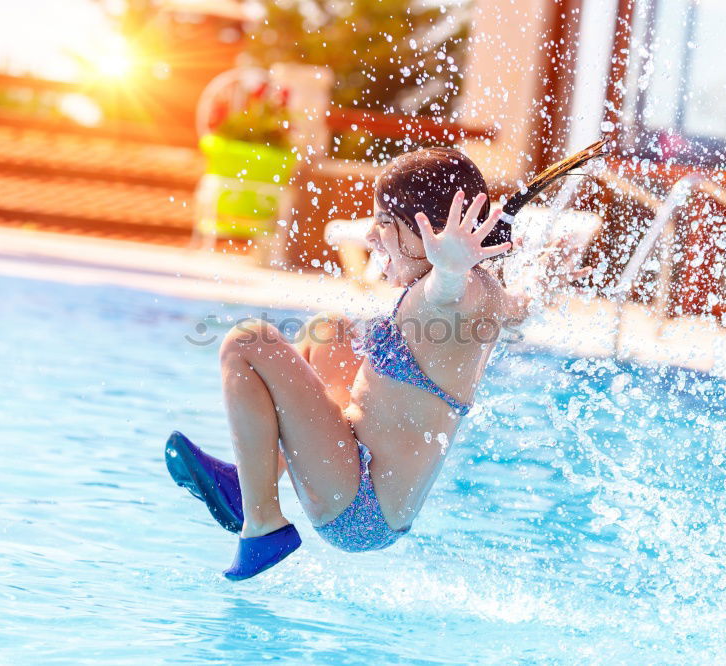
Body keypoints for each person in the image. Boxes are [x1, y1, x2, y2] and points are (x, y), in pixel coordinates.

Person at [165, 147, 590, 580]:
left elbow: (446, 294)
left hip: (359, 506)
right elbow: (517, 307)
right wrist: (543, 273)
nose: (370, 236)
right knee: (327, 331)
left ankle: (262, 527)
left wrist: (449, 271)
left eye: (384, 224)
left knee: (245, 343)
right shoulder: (484, 292)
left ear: (432, 238)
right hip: (366, 482)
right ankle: (249, 482)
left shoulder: (449, 294)